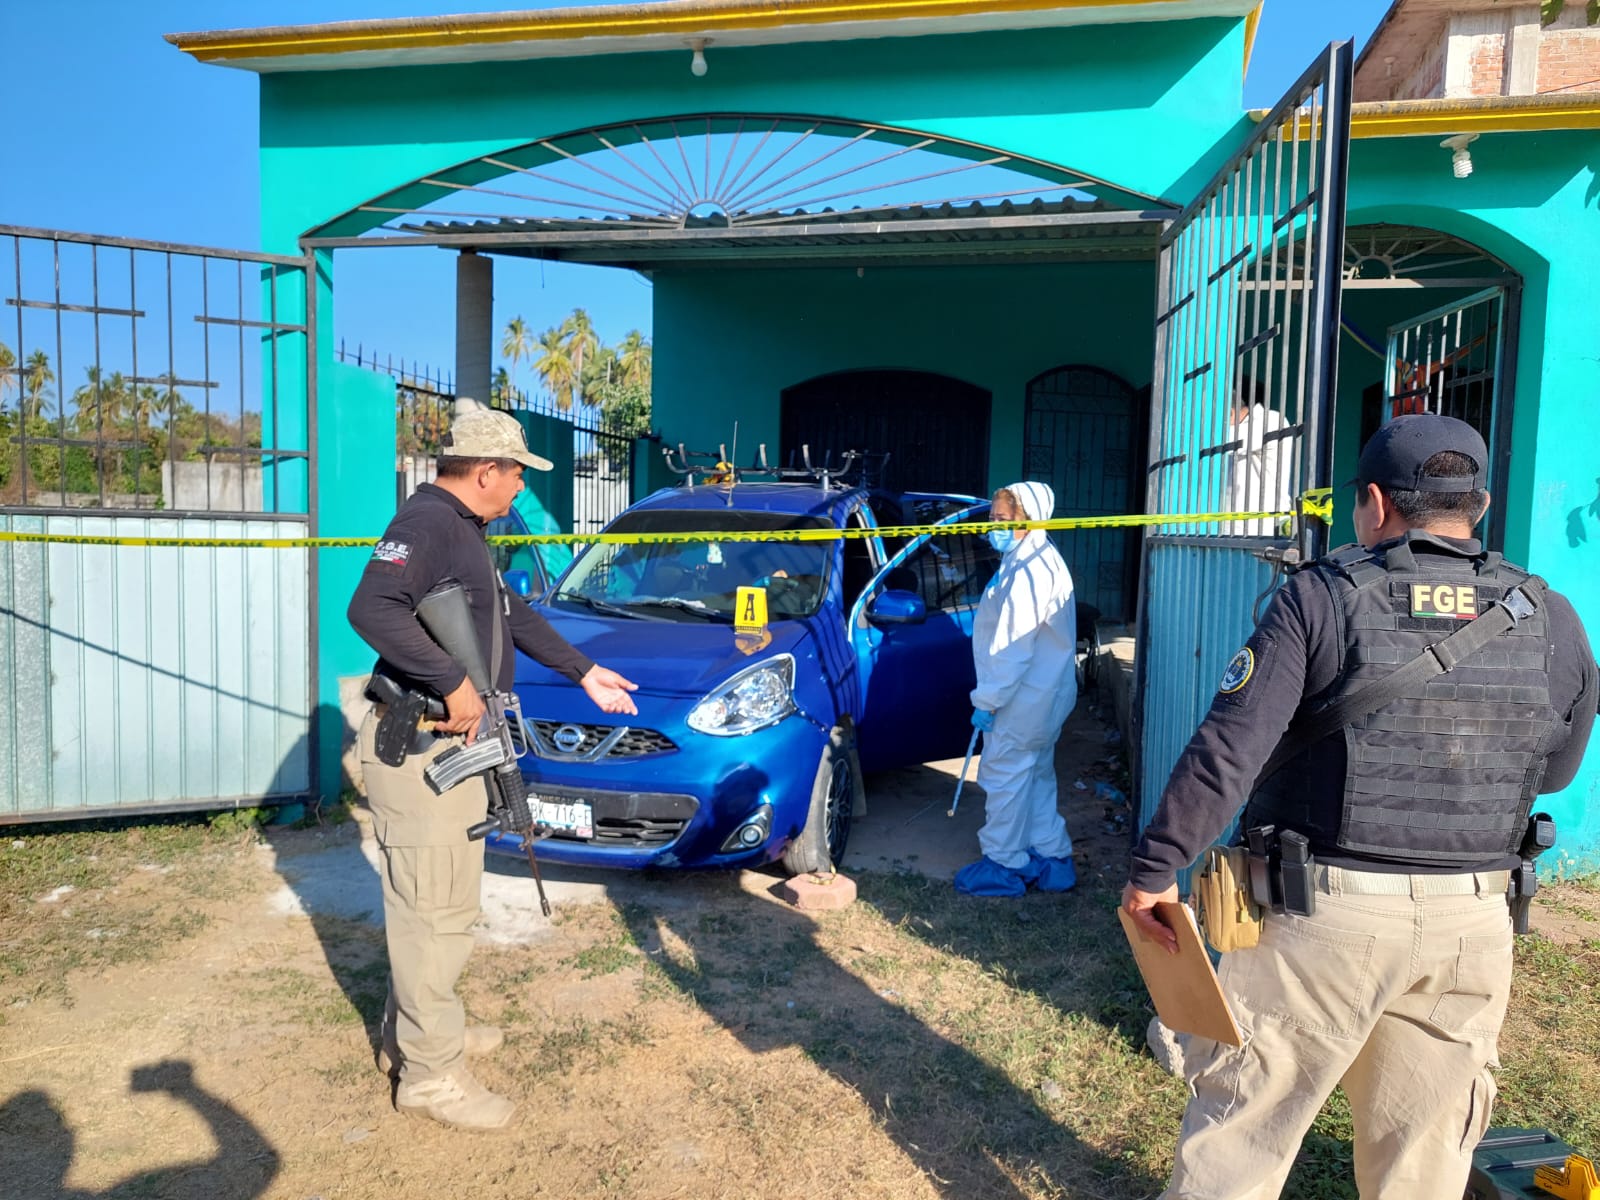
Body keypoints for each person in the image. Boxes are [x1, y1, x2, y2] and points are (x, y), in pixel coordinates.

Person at [1124, 413, 1597, 1199]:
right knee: (1424, 1157)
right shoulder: (1550, 614)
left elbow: (1228, 750)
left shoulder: (1320, 598)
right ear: (1476, 504)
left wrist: (1156, 867)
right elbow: (1553, 774)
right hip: (1474, 924)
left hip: (1321, 921)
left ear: (1375, 503)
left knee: (1244, 1132)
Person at [348, 402, 639, 1133]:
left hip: (449, 745)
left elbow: (511, 613)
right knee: (433, 913)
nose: (520, 490)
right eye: (516, 477)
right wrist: (451, 681)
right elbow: (371, 607)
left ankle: (416, 1037)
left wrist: (585, 670)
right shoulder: (429, 526)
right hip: (422, 744)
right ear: (486, 471)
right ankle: (431, 1077)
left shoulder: (462, 531)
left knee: (439, 906)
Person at [954, 481, 1079, 897]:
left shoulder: (1029, 570)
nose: (995, 526)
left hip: (1022, 699)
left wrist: (986, 700)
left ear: (1031, 519)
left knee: (1004, 778)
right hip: (1042, 696)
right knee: (1036, 776)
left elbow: (1012, 647)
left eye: (1004, 519)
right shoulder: (1035, 558)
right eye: (993, 518)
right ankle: (1052, 856)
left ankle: (1004, 863)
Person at [1225, 383, 1294, 536]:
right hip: (1234, 528)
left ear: (1230, 413)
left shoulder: (1271, 420)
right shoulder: (1244, 426)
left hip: (1263, 529)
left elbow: (1227, 442)